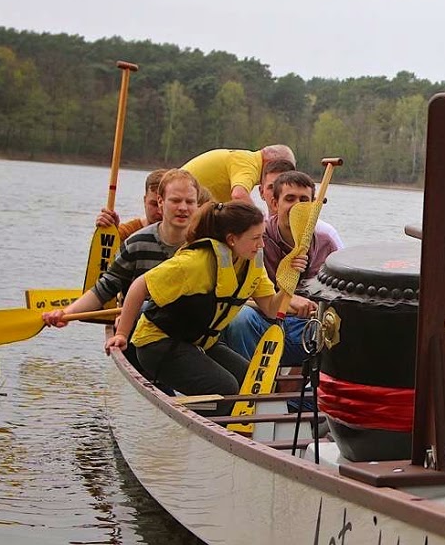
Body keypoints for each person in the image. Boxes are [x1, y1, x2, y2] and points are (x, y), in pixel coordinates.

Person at [103, 201, 279, 400]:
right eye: (256, 238)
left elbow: (271, 309)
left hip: (199, 341)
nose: (262, 244)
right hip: (157, 343)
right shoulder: (195, 262)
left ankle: (242, 425)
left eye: (262, 237)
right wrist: (123, 334)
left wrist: (289, 280)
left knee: (255, 379)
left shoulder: (251, 262)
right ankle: (219, 427)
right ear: (231, 239)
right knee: (225, 387)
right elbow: (139, 286)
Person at [46, 169, 206, 324]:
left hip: (189, 327)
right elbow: (105, 287)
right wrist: (66, 313)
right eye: (176, 201)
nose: (183, 208)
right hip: (142, 328)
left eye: (190, 202)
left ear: (198, 205)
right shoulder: (136, 243)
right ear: (160, 202)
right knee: (144, 308)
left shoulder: (206, 245)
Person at [220, 170, 343, 365]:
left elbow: (336, 298)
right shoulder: (258, 238)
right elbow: (235, 293)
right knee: (240, 319)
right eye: (290, 198)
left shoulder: (326, 243)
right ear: (275, 204)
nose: (296, 206)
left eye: (304, 200)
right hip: (260, 321)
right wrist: (287, 299)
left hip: (304, 326)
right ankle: (249, 387)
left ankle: (311, 394)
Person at [182, 145, 296, 204]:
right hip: (183, 199)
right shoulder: (248, 164)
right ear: (272, 161)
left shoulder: (245, 159)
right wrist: (261, 222)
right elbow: (239, 195)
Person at [96, 167, 168, 241]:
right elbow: (100, 251)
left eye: (164, 205)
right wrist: (107, 233)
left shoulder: (180, 238)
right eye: (154, 204)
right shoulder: (126, 233)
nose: (160, 211)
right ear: (144, 201)